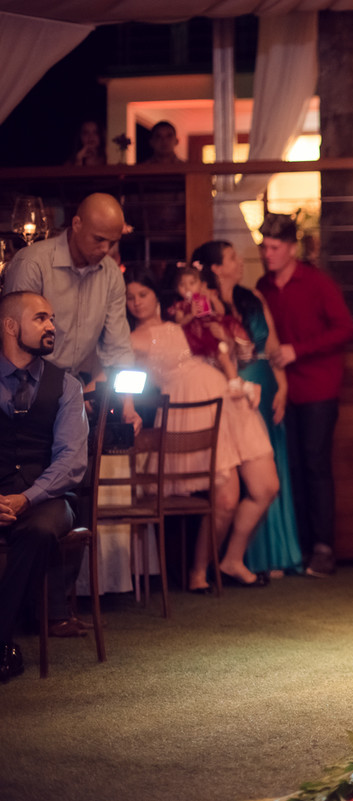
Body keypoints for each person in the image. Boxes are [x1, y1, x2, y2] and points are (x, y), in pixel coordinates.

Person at [125, 269, 278, 591]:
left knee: (267, 487)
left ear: (156, 295)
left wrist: (239, 379)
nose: (136, 302)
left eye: (142, 294)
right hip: (192, 408)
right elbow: (114, 371)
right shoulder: (131, 339)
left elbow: (225, 349)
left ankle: (232, 559)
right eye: (130, 297)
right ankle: (198, 573)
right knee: (226, 499)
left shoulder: (182, 319)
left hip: (227, 398)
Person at [193, 241, 302, 579]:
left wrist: (282, 387)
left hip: (264, 386)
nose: (240, 261)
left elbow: (272, 346)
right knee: (235, 483)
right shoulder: (203, 304)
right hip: (233, 391)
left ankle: (263, 556)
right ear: (215, 268)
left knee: (270, 474)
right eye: (232, 258)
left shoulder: (252, 298)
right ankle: (219, 564)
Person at [255, 214, 353, 578]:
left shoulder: (317, 283)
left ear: (292, 249)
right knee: (291, 466)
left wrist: (297, 350)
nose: (267, 254)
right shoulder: (263, 287)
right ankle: (298, 548)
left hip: (317, 388)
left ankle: (323, 548)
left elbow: (345, 328)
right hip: (281, 391)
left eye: (274, 247)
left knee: (315, 465)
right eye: (264, 247)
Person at [1, 292, 90, 682]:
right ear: (10, 326)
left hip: (49, 498)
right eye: (40, 318)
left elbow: (71, 461)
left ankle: (1, 638)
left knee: (37, 530)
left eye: (52, 318)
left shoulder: (66, 385)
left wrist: (27, 497)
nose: (51, 326)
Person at [1, 193, 141, 433]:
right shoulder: (33, 263)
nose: (105, 249)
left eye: (112, 242)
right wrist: (61, 392)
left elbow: (118, 348)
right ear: (77, 224)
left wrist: (128, 405)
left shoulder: (111, 274)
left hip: (75, 389)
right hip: (26, 390)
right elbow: (15, 344)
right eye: (98, 239)